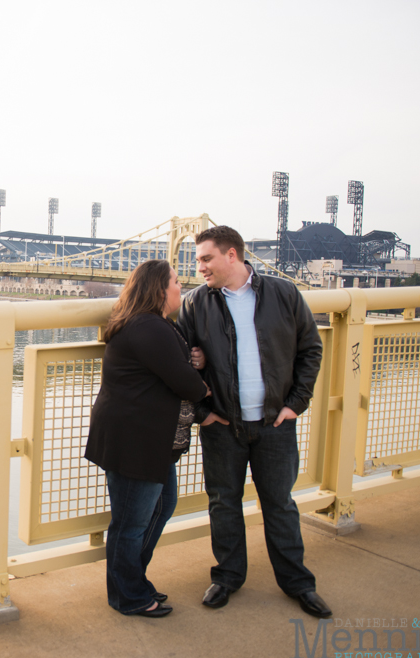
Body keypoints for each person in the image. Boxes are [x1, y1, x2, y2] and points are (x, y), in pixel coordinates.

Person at [177, 225, 332, 619]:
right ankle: (227, 577)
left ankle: (298, 583)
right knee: (222, 503)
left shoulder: (284, 294)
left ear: (232, 255)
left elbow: (310, 350)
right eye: (198, 260)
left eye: (206, 258)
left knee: (279, 505)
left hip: (274, 425)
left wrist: (296, 404)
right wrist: (203, 413)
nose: (200, 268)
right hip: (223, 425)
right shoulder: (196, 304)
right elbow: (181, 364)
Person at [85, 259, 209, 618]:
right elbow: (184, 381)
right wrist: (205, 389)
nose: (179, 288)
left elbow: (176, 366)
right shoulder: (148, 327)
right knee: (131, 522)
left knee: (162, 507)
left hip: (150, 441)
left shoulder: (152, 325)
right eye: (174, 282)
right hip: (134, 441)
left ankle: (132, 580)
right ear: (158, 289)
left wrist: (192, 362)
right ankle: (128, 595)